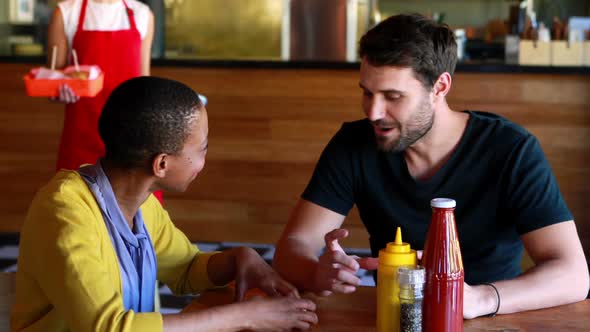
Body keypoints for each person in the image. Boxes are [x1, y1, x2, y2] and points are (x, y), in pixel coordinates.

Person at [273, 14, 589, 319]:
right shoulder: (353, 144)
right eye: (367, 93)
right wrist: (317, 273)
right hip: (394, 317)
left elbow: (573, 274)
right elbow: (293, 247)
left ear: (439, 87)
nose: (373, 112)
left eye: (393, 96)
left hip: (493, 317)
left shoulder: (511, 149)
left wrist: (479, 298)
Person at [12, 77, 318, 331]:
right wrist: (244, 317)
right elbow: (109, 328)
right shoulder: (64, 211)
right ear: (161, 164)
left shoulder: (141, 203)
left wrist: (240, 258)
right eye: (202, 148)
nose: (204, 161)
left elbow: (185, 269)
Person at [46, 0, 164, 202]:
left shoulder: (142, 15)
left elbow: (144, 82)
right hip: (82, 135)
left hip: (134, 138)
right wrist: (60, 91)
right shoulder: (66, 13)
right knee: (78, 210)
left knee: (139, 218)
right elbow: (53, 82)